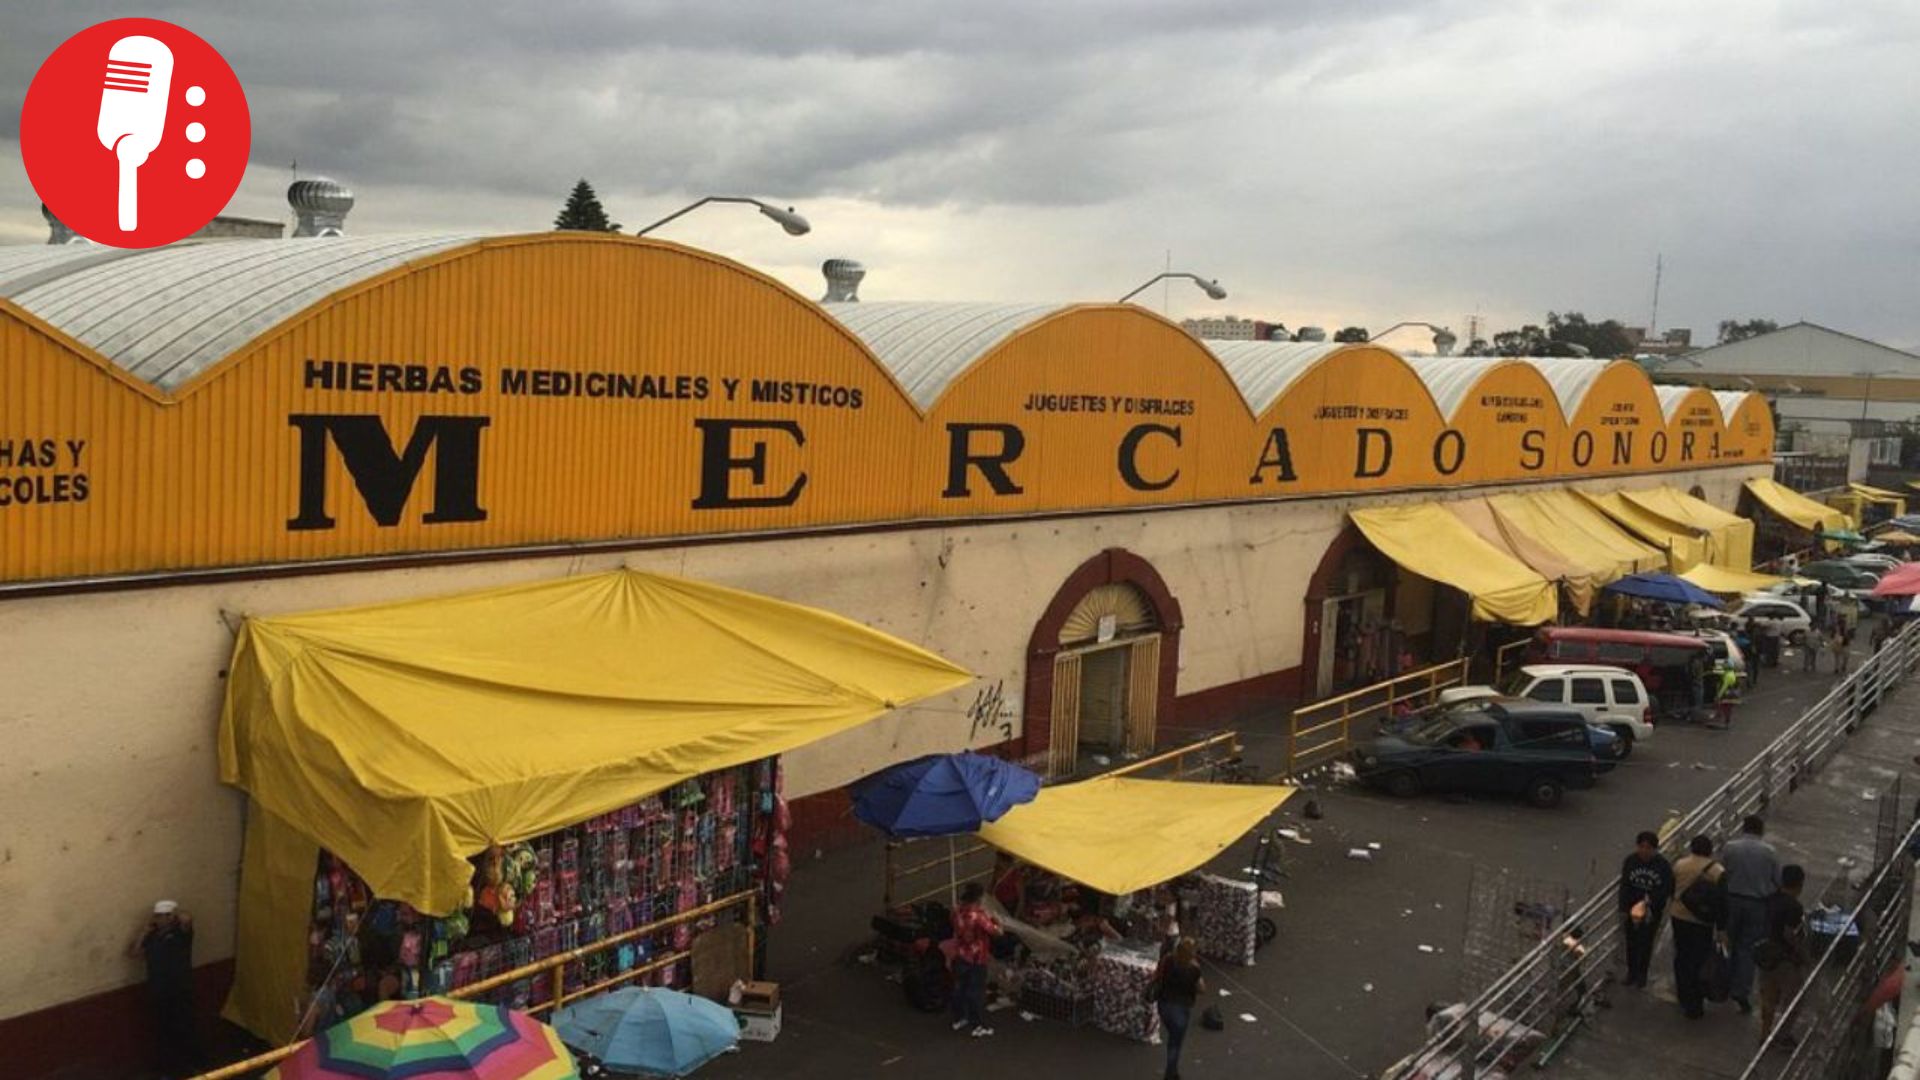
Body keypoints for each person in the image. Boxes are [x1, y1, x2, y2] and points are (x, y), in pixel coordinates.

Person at [129, 899, 200, 1076]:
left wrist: (177, 916)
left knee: (183, 1028)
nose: (160, 920)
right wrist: (143, 933)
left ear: (171, 917)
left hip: (180, 990)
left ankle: (188, 1066)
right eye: (158, 916)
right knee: (163, 1031)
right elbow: (134, 953)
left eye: (164, 916)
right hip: (159, 990)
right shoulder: (152, 936)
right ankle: (168, 1069)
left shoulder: (181, 934)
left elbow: (187, 919)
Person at [1721, 816, 1782, 1014]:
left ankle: (1723, 983)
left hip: (1731, 900)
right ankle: (1741, 990)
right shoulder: (1769, 852)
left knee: (1727, 943)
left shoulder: (1730, 848)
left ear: (1743, 828)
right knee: (1747, 948)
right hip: (1757, 904)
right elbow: (1777, 880)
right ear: (1761, 830)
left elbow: (1723, 872)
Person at [1670, 835, 1726, 1018]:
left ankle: (1683, 994)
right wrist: (1721, 928)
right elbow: (1722, 902)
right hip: (1702, 922)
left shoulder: (1680, 865)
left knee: (1682, 956)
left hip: (1679, 916)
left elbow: (1673, 889)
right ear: (1710, 850)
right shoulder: (1717, 871)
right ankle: (1696, 1002)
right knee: (1699, 960)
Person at [1757, 864, 1811, 1047]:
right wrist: (1802, 955)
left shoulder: (1770, 899)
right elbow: (1790, 933)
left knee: (1768, 998)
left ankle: (1765, 1033)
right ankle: (1782, 1034)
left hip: (1765, 956)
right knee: (1794, 1000)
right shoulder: (1794, 906)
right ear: (1800, 884)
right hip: (1784, 960)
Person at [1617, 830, 1674, 988]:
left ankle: (1642, 975)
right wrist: (1623, 908)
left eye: (1648, 848)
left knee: (1646, 943)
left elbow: (1666, 889)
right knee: (1631, 942)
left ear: (1655, 849)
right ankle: (1631, 973)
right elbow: (1625, 886)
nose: (1644, 851)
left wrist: (1651, 903)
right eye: (1641, 847)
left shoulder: (1662, 866)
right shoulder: (1631, 861)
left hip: (1651, 912)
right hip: (1631, 909)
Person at [948, 882, 1003, 1037]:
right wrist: (998, 923)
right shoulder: (978, 915)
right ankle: (977, 1025)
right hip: (977, 959)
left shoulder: (957, 911)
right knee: (975, 993)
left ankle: (959, 1018)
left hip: (959, 955)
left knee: (960, 989)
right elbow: (995, 932)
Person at [1152, 937, 1206, 1080]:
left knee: (1172, 1036)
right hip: (1181, 1009)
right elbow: (1201, 989)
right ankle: (1171, 1073)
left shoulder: (1168, 960)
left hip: (1164, 1004)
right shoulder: (1194, 968)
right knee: (1175, 1043)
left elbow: (1157, 974)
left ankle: (1172, 1071)